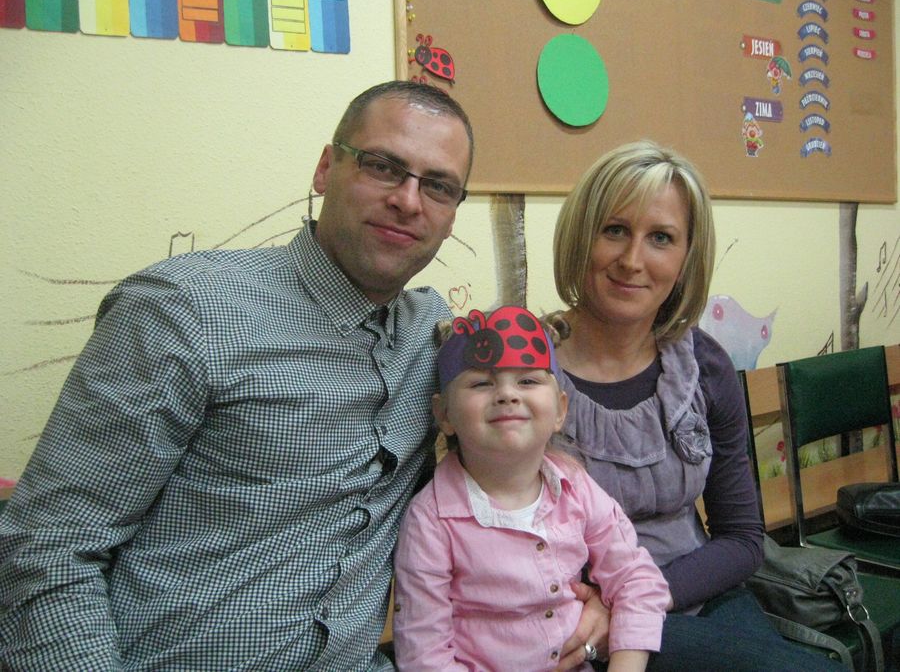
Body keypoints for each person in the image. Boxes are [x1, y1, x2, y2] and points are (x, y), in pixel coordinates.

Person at [0, 81, 474, 670]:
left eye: (438, 186)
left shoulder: (434, 336)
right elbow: (47, 551)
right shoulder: (184, 309)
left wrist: (580, 603)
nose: (408, 200)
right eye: (382, 166)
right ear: (325, 168)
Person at [547, 140, 844, 670]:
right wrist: (606, 617)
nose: (632, 260)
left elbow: (743, 539)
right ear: (581, 235)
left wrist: (635, 604)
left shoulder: (704, 367)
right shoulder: (521, 369)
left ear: (686, 258)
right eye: (614, 230)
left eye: (660, 238)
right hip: (570, 624)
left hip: (694, 597)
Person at [392, 306, 670, 672]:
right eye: (481, 383)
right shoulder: (430, 522)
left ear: (560, 410)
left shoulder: (577, 487)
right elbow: (425, 657)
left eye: (527, 381)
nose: (507, 394)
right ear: (444, 414)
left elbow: (636, 579)